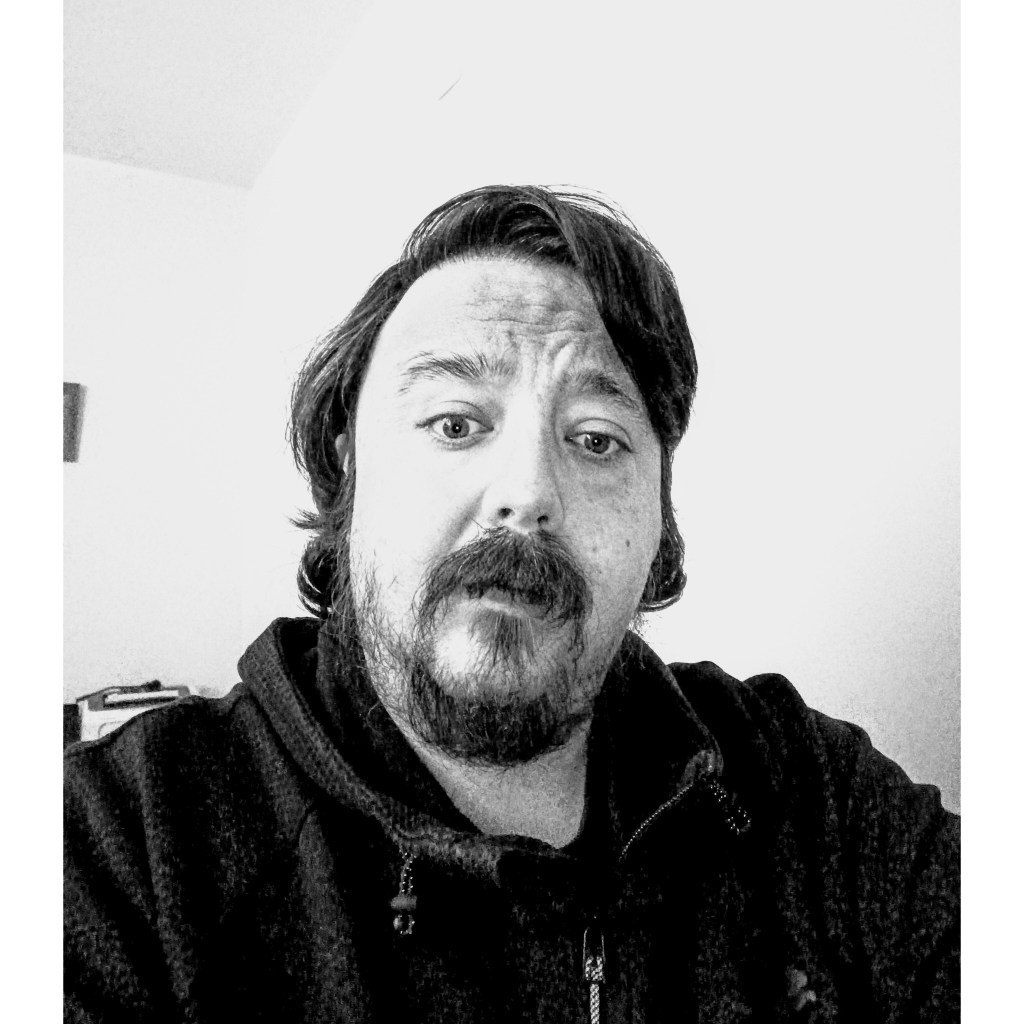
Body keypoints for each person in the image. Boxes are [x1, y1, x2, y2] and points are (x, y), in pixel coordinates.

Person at [64, 185, 959, 1023]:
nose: (527, 491)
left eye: (597, 440)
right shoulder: (119, 847)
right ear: (348, 468)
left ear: (658, 517)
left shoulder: (801, 783)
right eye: (455, 422)